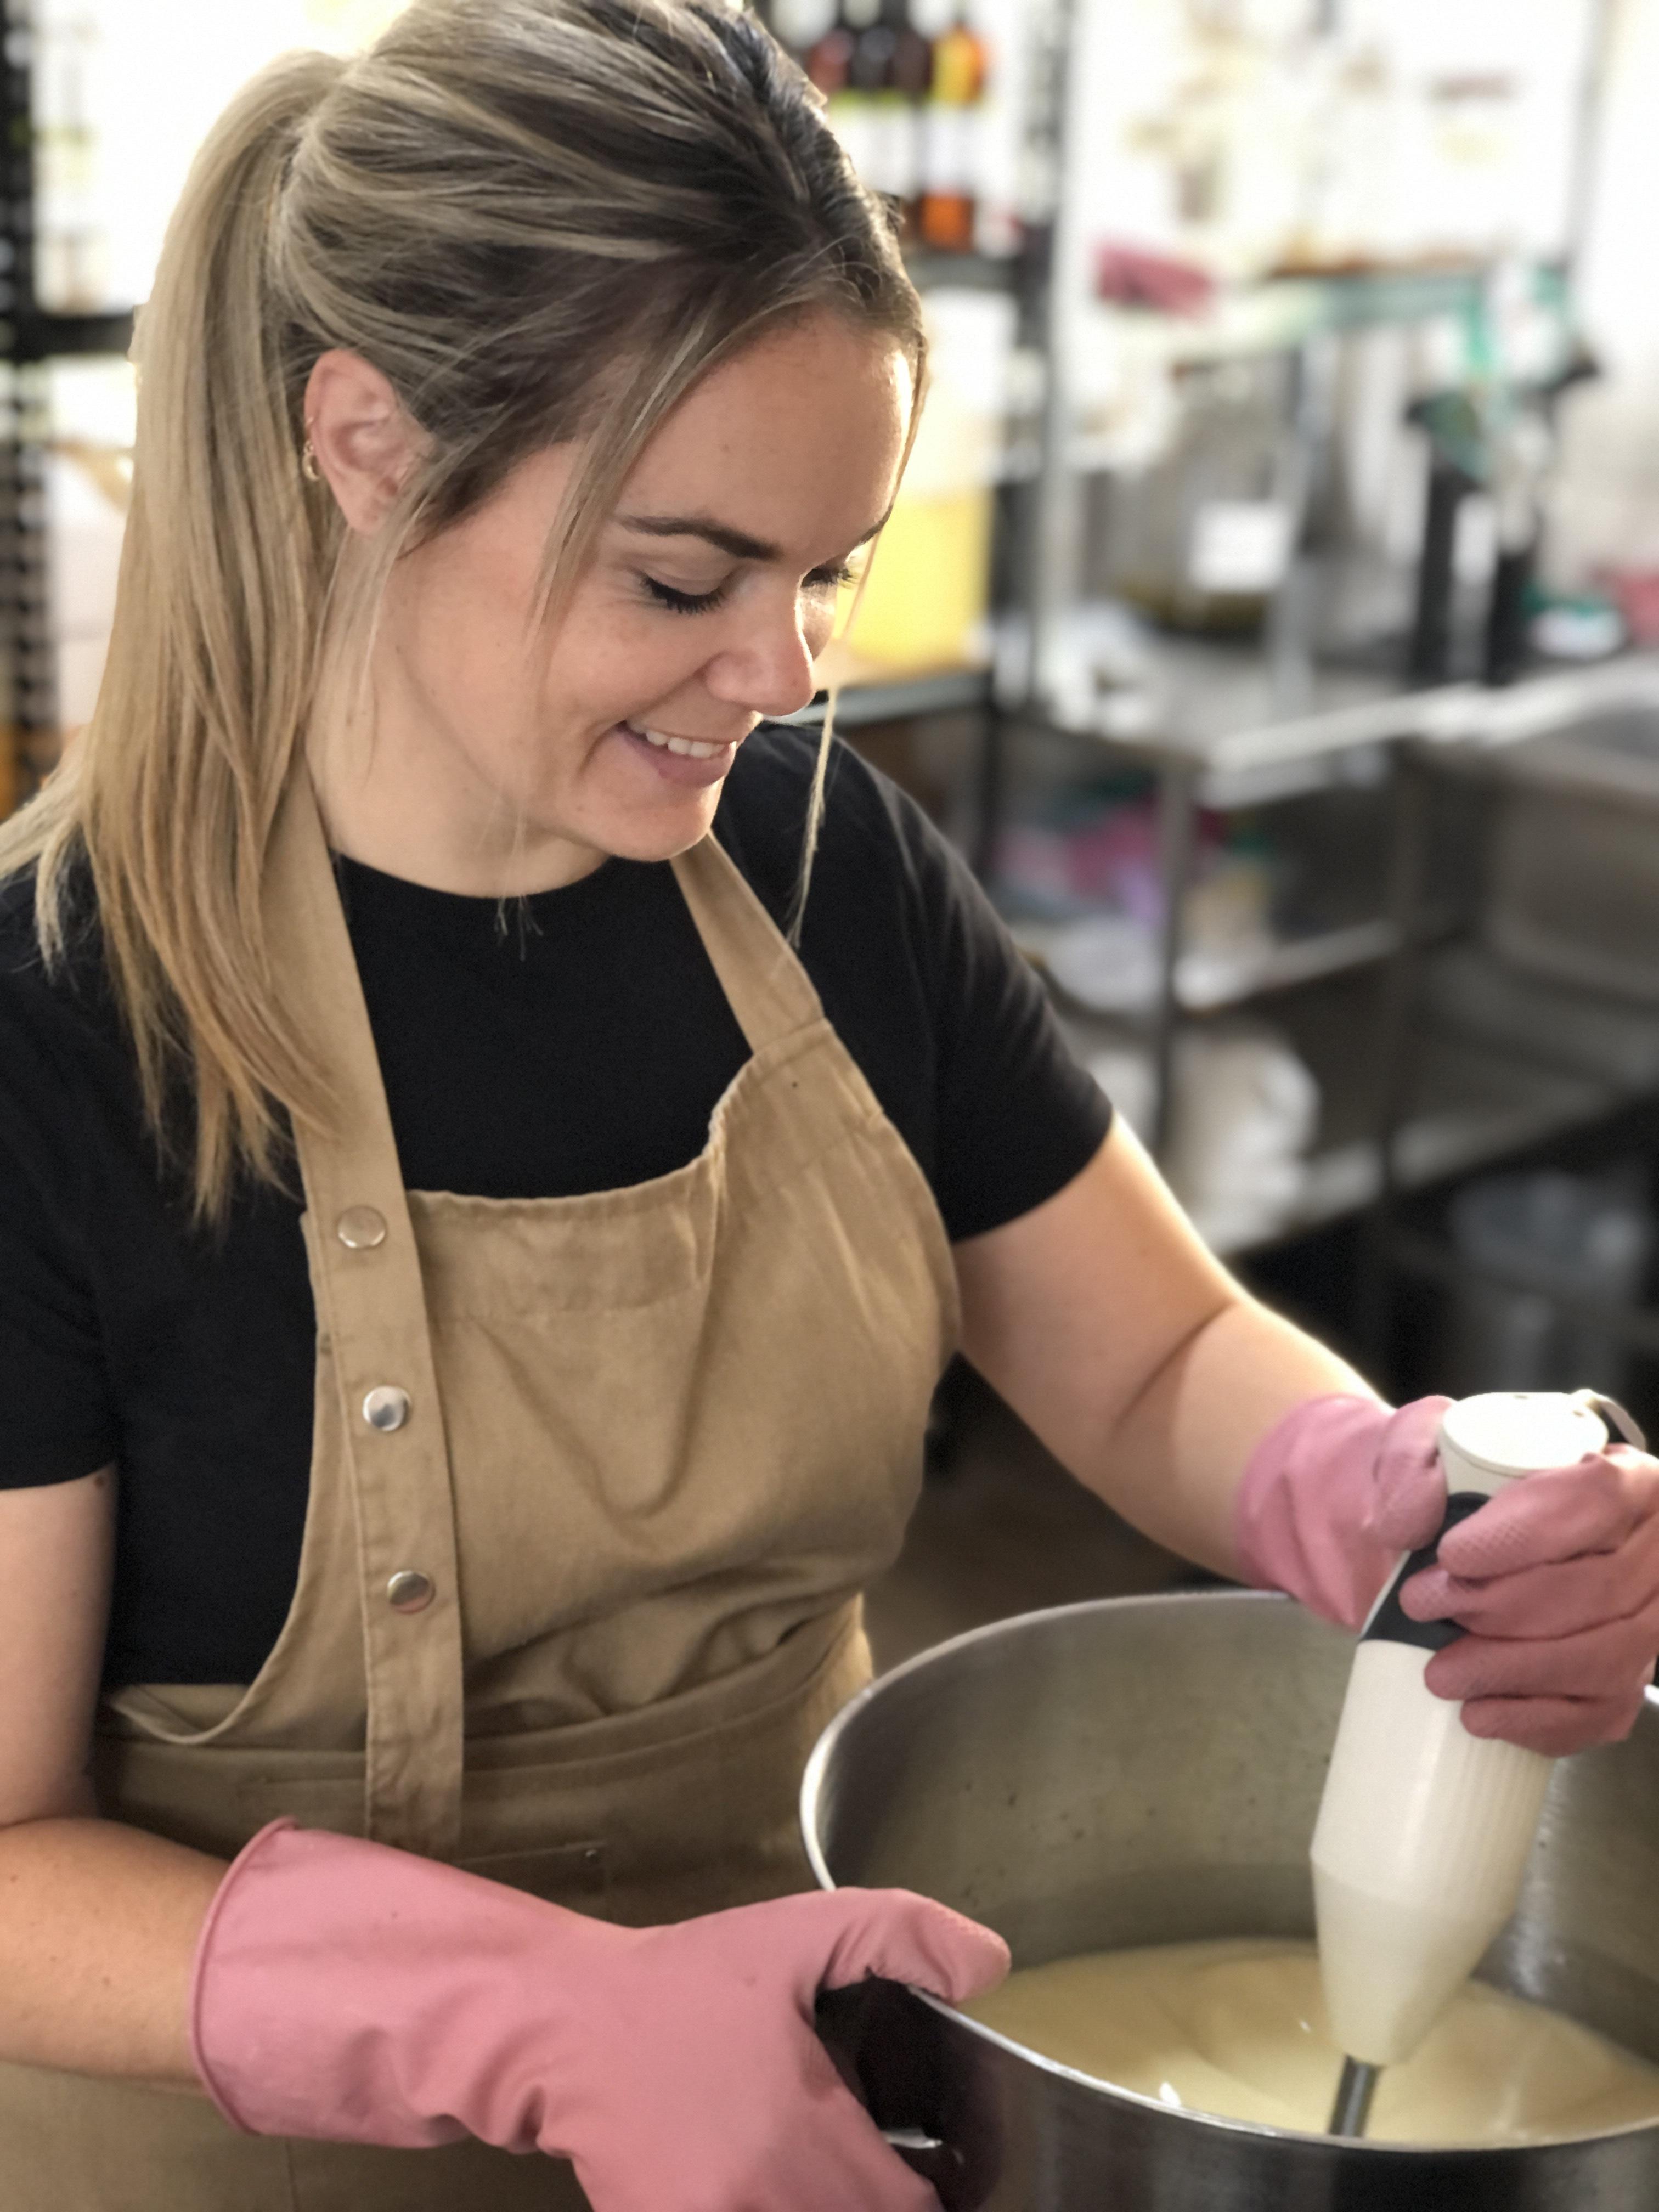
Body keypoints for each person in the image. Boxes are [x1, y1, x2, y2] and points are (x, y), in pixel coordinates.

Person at [3, 2, 1658, 2207]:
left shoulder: (818, 871)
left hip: (827, 2112)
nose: (781, 678)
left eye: (826, 574)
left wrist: (1357, 1490)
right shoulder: (56, 1029)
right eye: (684, 578)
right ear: (370, 445)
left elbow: (1151, 1349)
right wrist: (539, 2016)